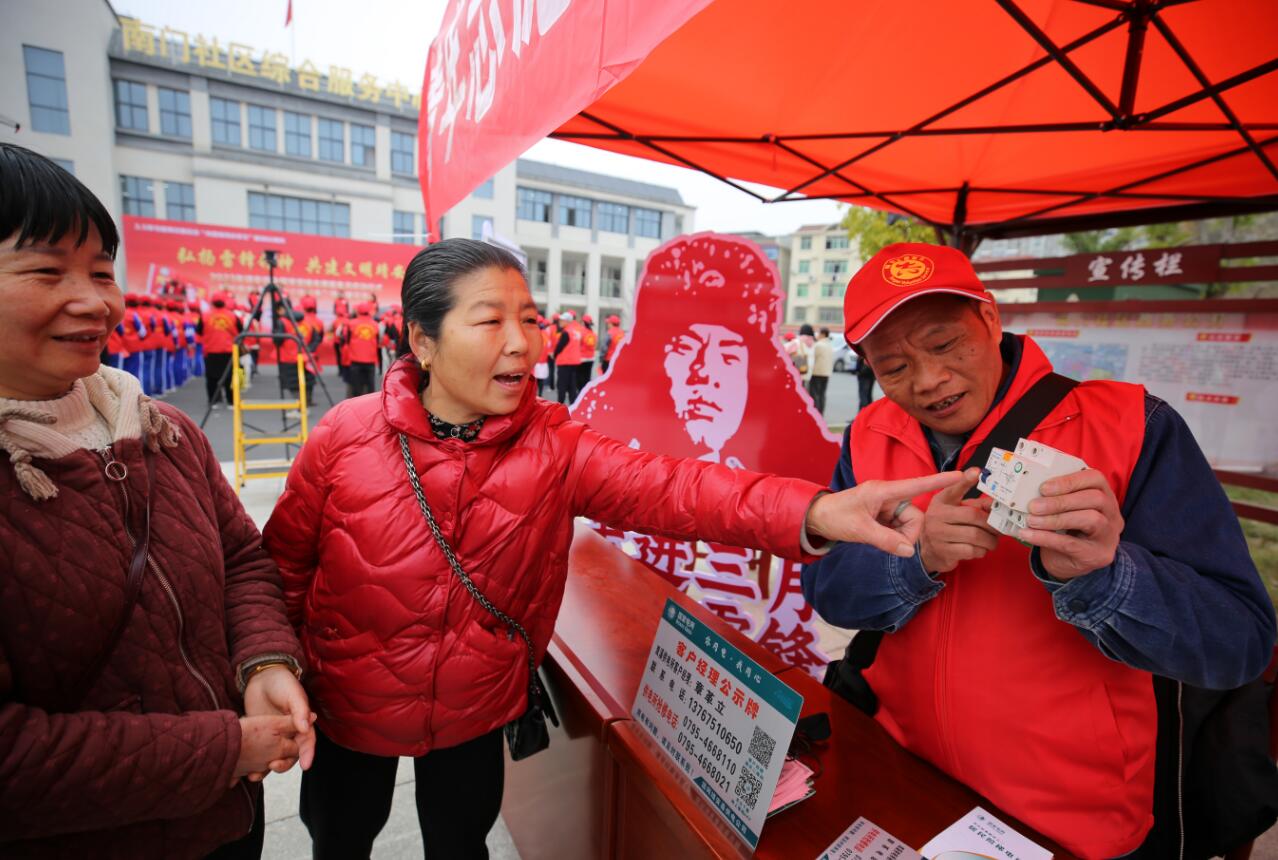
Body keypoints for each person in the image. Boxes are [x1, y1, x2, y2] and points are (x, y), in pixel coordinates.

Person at [263, 238, 961, 859]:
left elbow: (679, 489)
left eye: (530, 320)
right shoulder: (345, 435)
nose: (522, 344)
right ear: (422, 339)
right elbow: (282, 567)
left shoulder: (554, 445)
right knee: (341, 840)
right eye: (489, 321)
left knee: (459, 841)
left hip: (472, 715)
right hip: (349, 705)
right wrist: (277, 667)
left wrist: (814, 509)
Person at [801, 242, 1277, 859]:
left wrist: (1107, 577)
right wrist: (915, 560)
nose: (928, 381)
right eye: (892, 367)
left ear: (990, 318)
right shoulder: (867, 436)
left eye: (945, 345)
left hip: (1069, 819)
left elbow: (1239, 641)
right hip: (902, 775)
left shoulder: (1132, 424)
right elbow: (828, 588)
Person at [0, 142, 314, 858]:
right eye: (48, 271)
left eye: (103, 271)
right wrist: (222, 750)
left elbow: (242, 560)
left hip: (225, 816)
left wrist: (264, 663)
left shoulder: (163, 431)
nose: (94, 300)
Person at [200, 291, 241, 407]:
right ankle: (231, 401)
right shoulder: (233, 316)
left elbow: (199, 331)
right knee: (229, 377)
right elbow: (240, 331)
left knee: (211, 378)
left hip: (210, 350)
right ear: (224, 302)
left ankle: (213, 400)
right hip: (228, 351)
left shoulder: (205, 316)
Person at [341, 302, 381, 398]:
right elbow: (379, 340)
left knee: (356, 386)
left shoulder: (351, 324)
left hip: (355, 359)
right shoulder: (375, 325)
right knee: (370, 385)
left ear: (357, 311)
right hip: (371, 360)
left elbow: (346, 339)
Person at [553, 310, 584, 405]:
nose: (560, 322)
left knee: (561, 385)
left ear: (567, 321)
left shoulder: (566, 332)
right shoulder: (576, 331)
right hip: (574, 362)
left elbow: (559, 347)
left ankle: (560, 406)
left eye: (562, 320)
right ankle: (573, 405)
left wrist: (554, 355)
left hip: (564, 362)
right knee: (572, 386)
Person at [808, 327, 834, 415]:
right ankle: (820, 413)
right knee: (822, 394)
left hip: (817, 372)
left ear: (823, 334)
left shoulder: (818, 345)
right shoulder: (830, 345)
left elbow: (812, 357)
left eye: (819, 333)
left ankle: (815, 414)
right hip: (826, 373)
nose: (817, 335)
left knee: (815, 394)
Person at [578, 313, 598, 388]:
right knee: (587, 377)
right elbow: (595, 346)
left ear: (583, 322)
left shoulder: (581, 332)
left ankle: (580, 392)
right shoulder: (593, 333)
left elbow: (577, 344)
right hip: (591, 358)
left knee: (580, 376)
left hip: (582, 358)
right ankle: (585, 392)